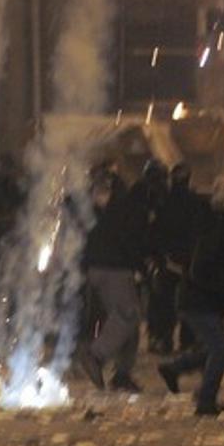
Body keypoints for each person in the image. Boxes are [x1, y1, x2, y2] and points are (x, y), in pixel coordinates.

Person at [156, 178, 224, 416]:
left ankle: (175, 369)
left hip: (198, 299)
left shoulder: (222, 232)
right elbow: (202, 270)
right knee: (222, 347)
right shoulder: (220, 235)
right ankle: (205, 400)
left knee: (217, 346)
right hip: (196, 301)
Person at [76, 166, 148, 392]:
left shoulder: (90, 209)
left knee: (130, 325)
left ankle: (123, 373)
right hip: (114, 267)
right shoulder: (119, 208)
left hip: (99, 267)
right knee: (128, 314)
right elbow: (128, 238)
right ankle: (95, 355)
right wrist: (140, 264)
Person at [149, 163, 206, 354]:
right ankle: (187, 340)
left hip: (168, 260)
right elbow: (200, 231)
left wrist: (159, 255)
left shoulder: (164, 202)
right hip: (188, 261)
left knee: (165, 302)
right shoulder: (195, 202)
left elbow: (156, 231)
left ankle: (165, 338)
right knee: (188, 302)